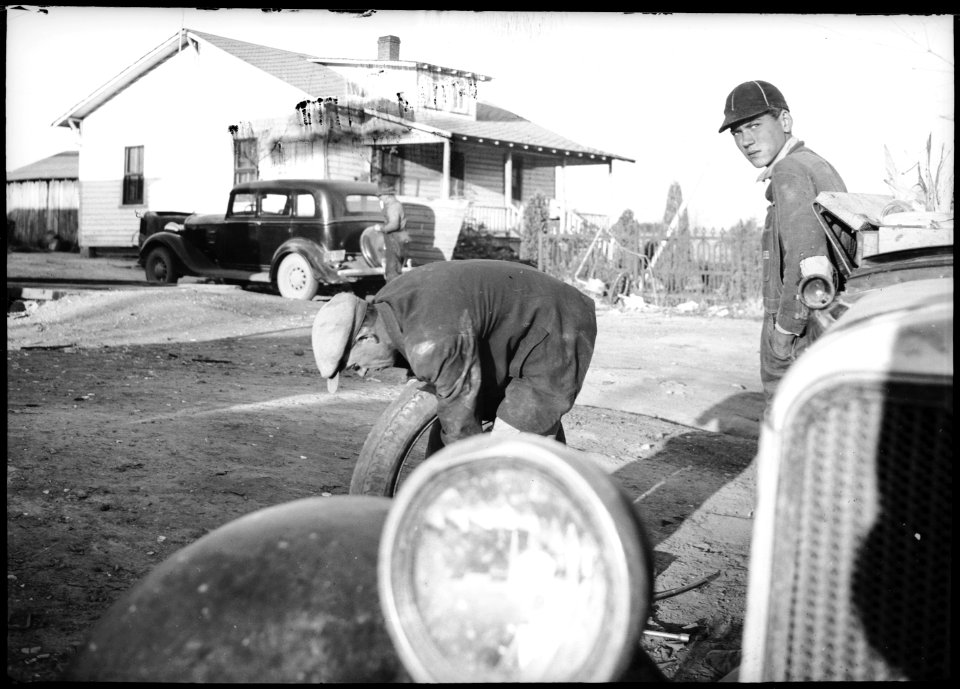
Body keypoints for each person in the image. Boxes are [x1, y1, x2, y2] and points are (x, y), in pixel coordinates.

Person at [310, 259, 597, 447]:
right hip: (516, 331)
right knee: (450, 431)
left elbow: (462, 432)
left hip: (556, 331)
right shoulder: (391, 303)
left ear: (365, 337)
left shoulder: (431, 342)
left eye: (355, 366)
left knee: (507, 454)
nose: (362, 373)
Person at [719, 80, 846, 407]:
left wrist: (783, 333)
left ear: (785, 122)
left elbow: (809, 264)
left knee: (786, 431)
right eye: (736, 132)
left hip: (798, 333)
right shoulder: (812, 163)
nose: (746, 140)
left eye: (754, 125)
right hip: (820, 325)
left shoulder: (790, 170)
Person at [375, 184, 408, 282]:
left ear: (386, 195)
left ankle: (393, 294)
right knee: (393, 269)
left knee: (393, 271)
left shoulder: (394, 206)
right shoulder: (394, 205)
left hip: (396, 240)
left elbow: (394, 225)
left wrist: (381, 228)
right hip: (397, 240)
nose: (380, 199)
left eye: (380, 196)